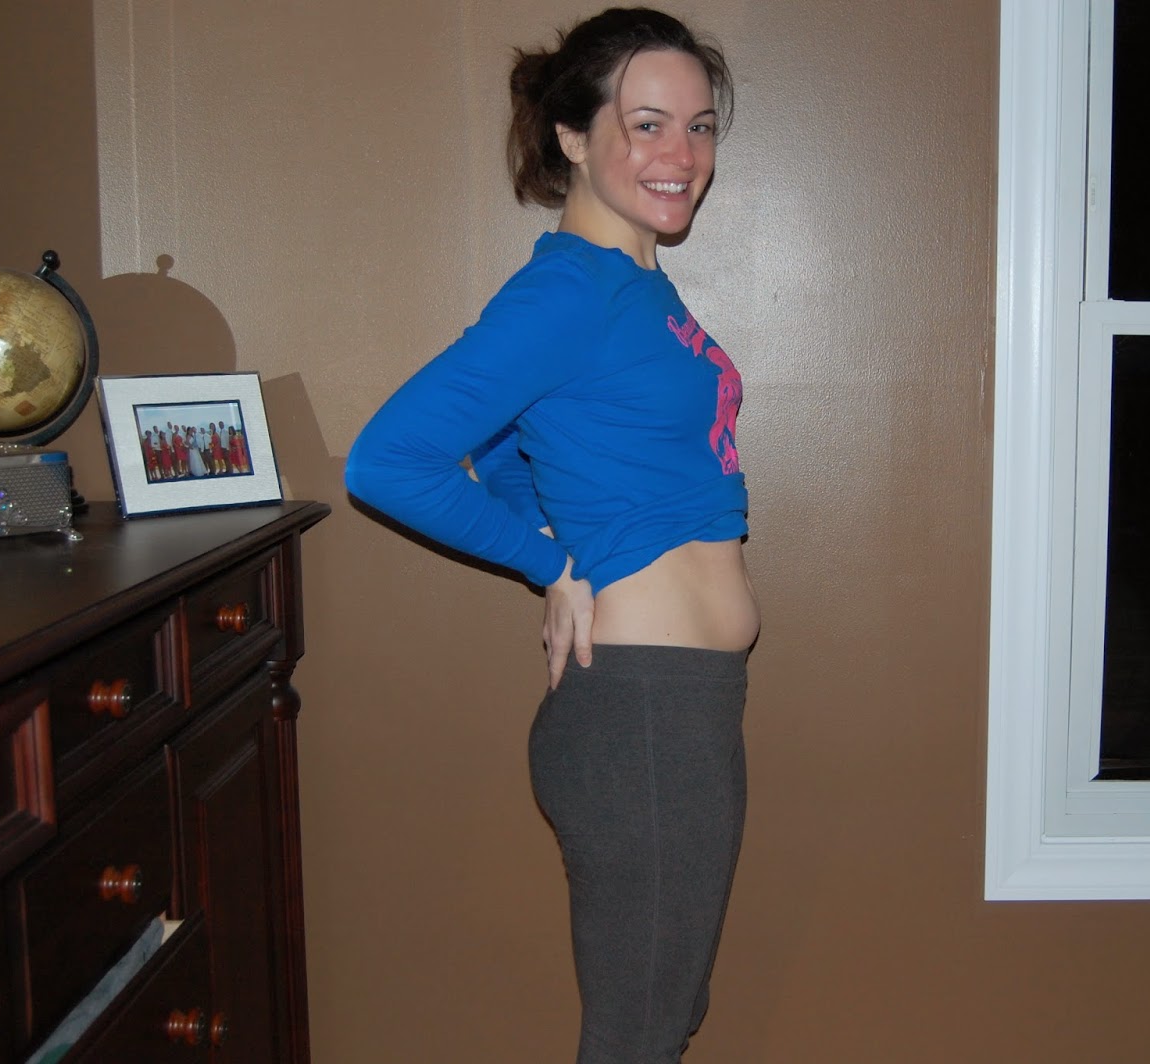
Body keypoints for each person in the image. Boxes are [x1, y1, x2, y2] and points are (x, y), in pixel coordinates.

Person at [344, 8, 752, 1061]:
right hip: (641, 711)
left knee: (658, 1016)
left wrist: (540, 522)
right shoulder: (570, 288)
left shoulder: (633, 286)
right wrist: (550, 564)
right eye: (648, 124)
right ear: (572, 135)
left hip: (678, 706)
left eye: (700, 126)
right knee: (638, 1033)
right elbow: (387, 460)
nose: (681, 155)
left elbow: (504, 445)